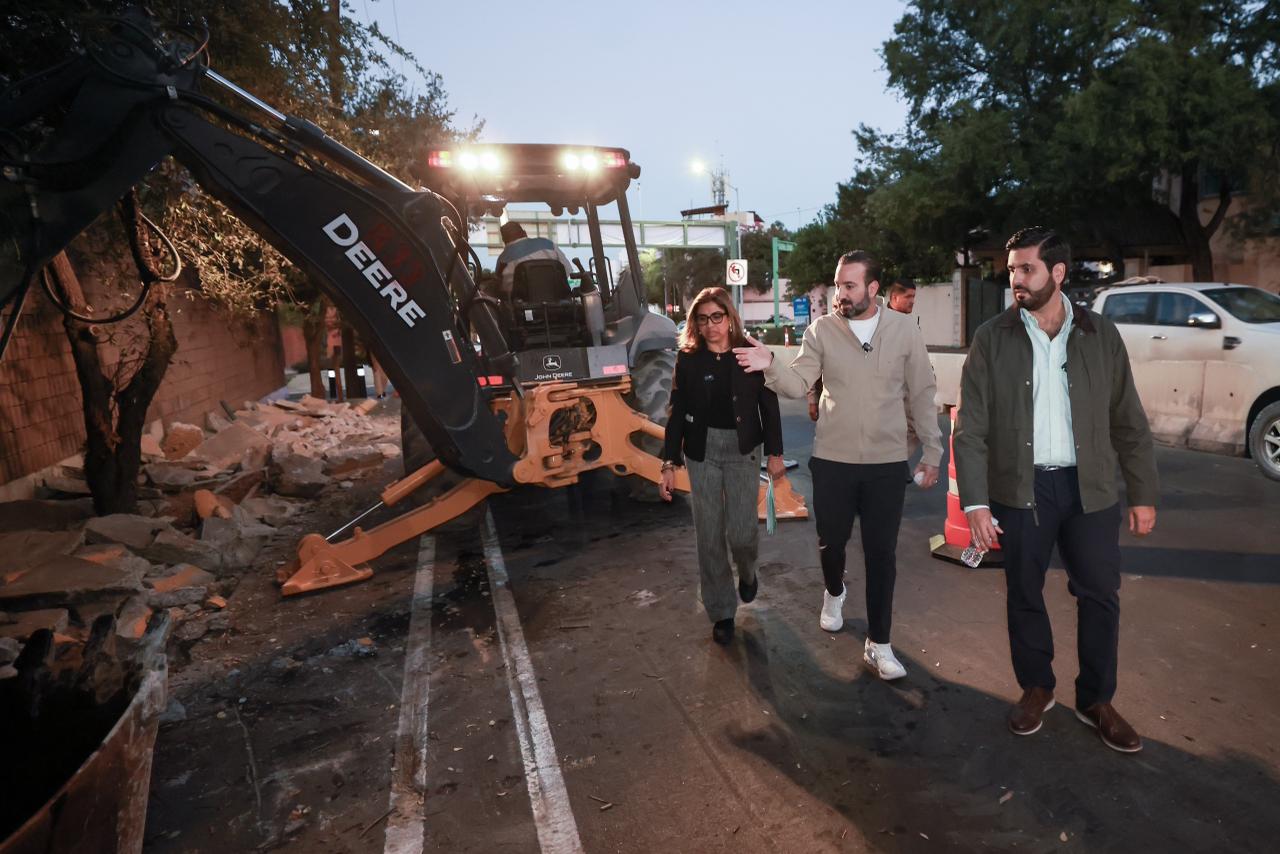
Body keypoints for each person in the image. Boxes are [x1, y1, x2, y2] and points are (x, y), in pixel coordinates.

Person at [953, 226, 1159, 753]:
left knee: (1099, 594)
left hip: (1088, 489)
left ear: (1058, 272)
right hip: (1019, 490)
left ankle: (1096, 700)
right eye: (1013, 268)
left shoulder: (1100, 335)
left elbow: (1128, 419)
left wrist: (1142, 492)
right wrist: (975, 501)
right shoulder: (992, 337)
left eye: (1027, 268)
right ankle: (1037, 687)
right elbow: (970, 427)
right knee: (1024, 590)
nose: (1015, 277)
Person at [734, 251, 942, 680]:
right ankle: (834, 592)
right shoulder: (821, 331)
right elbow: (797, 382)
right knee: (832, 542)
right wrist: (770, 364)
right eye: (837, 284)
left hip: (886, 463)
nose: (839, 293)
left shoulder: (904, 331)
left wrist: (933, 452)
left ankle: (880, 643)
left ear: (872, 288)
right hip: (833, 461)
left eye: (849, 285)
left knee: (882, 554)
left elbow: (922, 392)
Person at [660, 287, 785, 646]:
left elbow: (769, 406)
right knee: (709, 532)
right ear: (695, 324)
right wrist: (669, 462)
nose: (711, 326)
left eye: (717, 317)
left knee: (742, 533)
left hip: (744, 449)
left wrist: (775, 454)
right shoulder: (688, 359)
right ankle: (721, 610)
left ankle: (748, 573)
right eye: (703, 319)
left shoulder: (750, 352)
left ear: (729, 317)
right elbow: (675, 410)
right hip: (702, 451)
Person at [493, 221, 575, 297]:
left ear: (504, 240)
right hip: (560, 305)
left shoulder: (503, 259)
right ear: (525, 233)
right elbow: (569, 273)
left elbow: (502, 289)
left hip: (522, 309)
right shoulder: (548, 244)